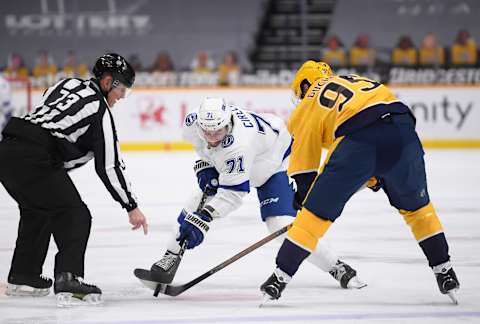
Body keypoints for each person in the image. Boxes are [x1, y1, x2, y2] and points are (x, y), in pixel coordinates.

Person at [259, 61, 460, 304]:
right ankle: (444, 270)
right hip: (403, 130)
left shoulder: (307, 103)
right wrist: (376, 171)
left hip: (359, 139)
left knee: (313, 217)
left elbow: (304, 170)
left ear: (303, 85)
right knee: (418, 209)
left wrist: (306, 198)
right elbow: (383, 123)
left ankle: (280, 277)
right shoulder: (356, 80)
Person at [145, 97, 365, 290]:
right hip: (251, 156)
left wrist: (206, 217)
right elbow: (203, 148)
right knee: (195, 200)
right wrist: (205, 164)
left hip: (275, 163)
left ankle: (336, 266)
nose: (212, 138)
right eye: (207, 132)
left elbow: (233, 194)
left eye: (218, 132)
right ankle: (170, 256)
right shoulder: (194, 122)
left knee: (280, 226)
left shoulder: (240, 146)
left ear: (228, 123)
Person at [0, 53, 148, 305]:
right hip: (36, 157)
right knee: (74, 215)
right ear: (107, 81)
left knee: (39, 210)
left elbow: (48, 106)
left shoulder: (66, 83)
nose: (122, 96)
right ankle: (68, 277)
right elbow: (109, 167)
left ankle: (24, 276)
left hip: (7, 150)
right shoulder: (100, 113)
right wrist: (131, 205)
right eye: (121, 88)